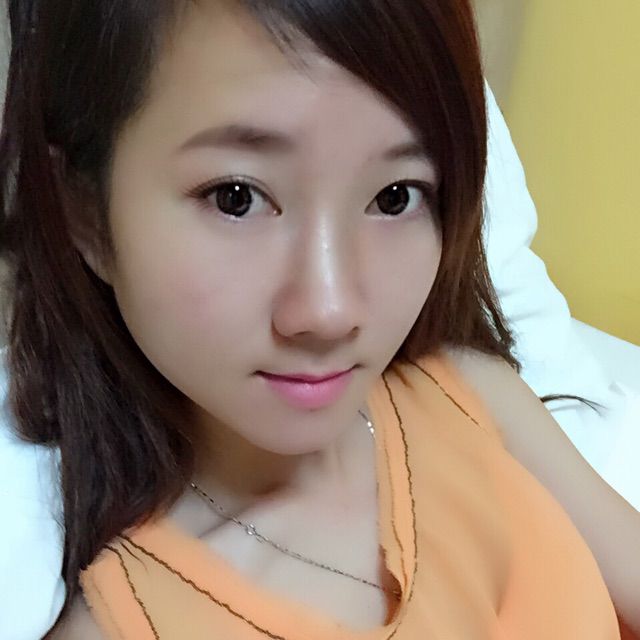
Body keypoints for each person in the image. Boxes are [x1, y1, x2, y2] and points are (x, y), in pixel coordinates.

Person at [0, 0, 638, 637]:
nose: (330, 311)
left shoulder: (468, 394)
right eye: (236, 198)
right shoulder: (130, 623)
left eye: (395, 197)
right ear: (85, 213)